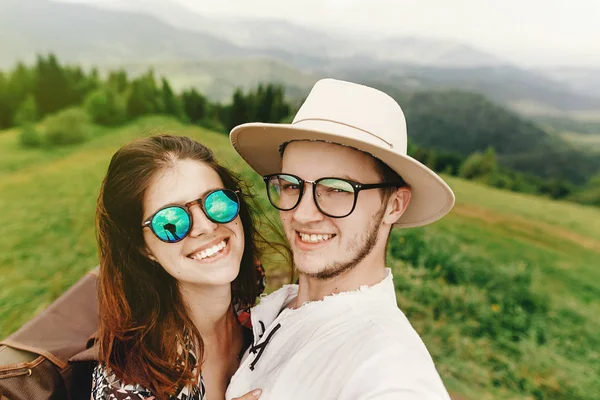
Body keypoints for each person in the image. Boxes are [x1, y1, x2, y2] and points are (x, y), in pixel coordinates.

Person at [225, 79, 455, 399]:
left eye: (336, 189)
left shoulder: (389, 365)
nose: (303, 214)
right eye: (291, 185)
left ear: (394, 205)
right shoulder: (278, 305)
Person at [92, 135, 280, 400]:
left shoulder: (251, 290)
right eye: (172, 219)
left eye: (216, 202)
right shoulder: (129, 385)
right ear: (143, 248)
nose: (205, 226)